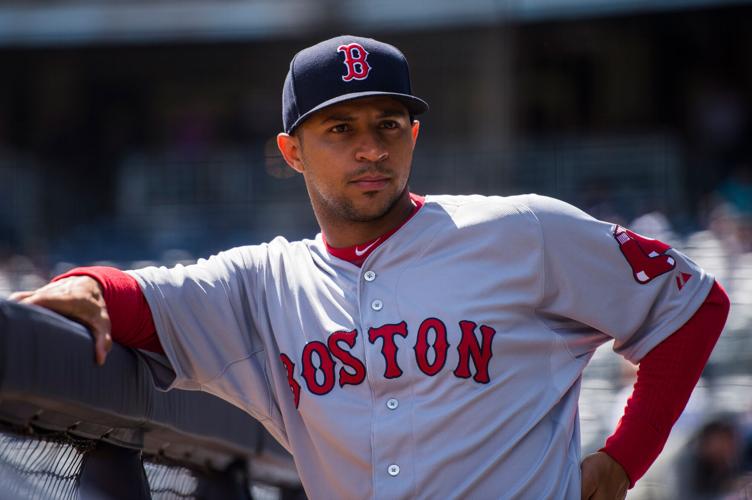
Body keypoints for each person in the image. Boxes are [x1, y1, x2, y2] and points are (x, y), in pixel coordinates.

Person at [10, 36, 730, 499]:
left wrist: (622, 460)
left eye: (388, 125)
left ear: (413, 135)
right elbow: (138, 297)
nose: (370, 148)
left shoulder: (521, 230)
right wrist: (87, 289)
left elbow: (692, 306)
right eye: (341, 128)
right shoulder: (263, 285)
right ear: (292, 152)